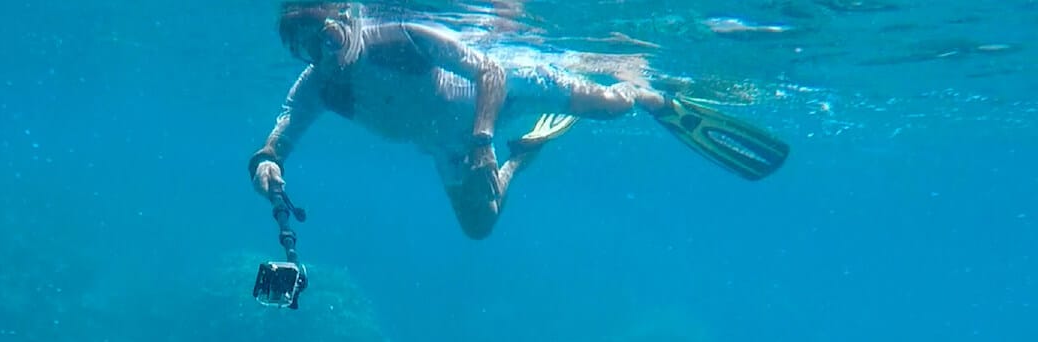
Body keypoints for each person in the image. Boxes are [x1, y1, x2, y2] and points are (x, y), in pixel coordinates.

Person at [249, 2, 789, 240]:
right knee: (479, 228)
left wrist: (484, 138)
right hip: (450, 142)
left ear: (348, 17)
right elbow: (282, 131)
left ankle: (645, 93)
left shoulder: (406, 38)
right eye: (299, 48)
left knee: (609, 107)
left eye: (323, 36)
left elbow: (488, 68)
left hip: (504, 94)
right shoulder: (320, 85)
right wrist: (267, 164)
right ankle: (523, 156)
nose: (319, 53)